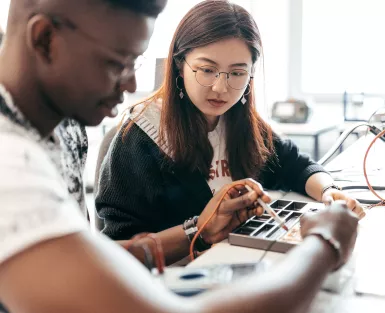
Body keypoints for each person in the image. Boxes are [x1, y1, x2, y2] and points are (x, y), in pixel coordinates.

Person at [0, 0, 360, 312]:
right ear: (45, 38)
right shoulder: (10, 162)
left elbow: (85, 261)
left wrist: (198, 230)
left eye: (134, 64)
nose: (128, 86)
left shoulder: (64, 125)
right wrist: (323, 244)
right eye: (115, 63)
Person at [95, 0, 364, 265]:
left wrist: (329, 191)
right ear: (179, 63)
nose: (221, 88)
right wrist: (198, 230)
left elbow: (296, 166)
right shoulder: (142, 136)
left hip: (233, 265)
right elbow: (116, 253)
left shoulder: (238, 121)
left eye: (237, 73)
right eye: (207, 70)